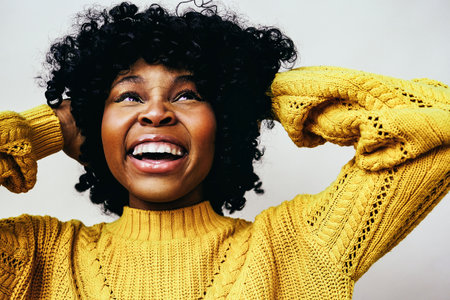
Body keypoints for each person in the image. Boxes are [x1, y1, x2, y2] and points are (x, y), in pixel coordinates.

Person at [0, 1, 449, 299]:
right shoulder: (37, 255)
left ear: (226, 123)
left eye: (188, 95)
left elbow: (440, 120)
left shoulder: (299, 246)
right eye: (129, 97)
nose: (156, 113)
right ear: (94, 124)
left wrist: (266, 95)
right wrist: (47, 128)